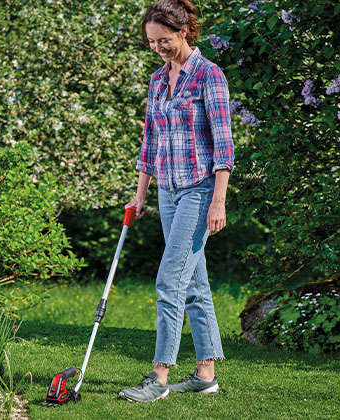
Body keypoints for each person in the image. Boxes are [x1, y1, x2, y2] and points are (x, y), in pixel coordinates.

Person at [119, 0, 234, 403]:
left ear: (184, 31)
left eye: (164, 40)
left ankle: (159, 377)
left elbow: (224, 146)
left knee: (170, 280)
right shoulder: (157, 80)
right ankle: (206, 374)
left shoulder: (208, 76)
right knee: (194, 284)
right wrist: (139, 197)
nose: (158, 48)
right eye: (152, 42)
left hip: (199, 191)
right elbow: (150, 143)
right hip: (167, 190)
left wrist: (218, 201)